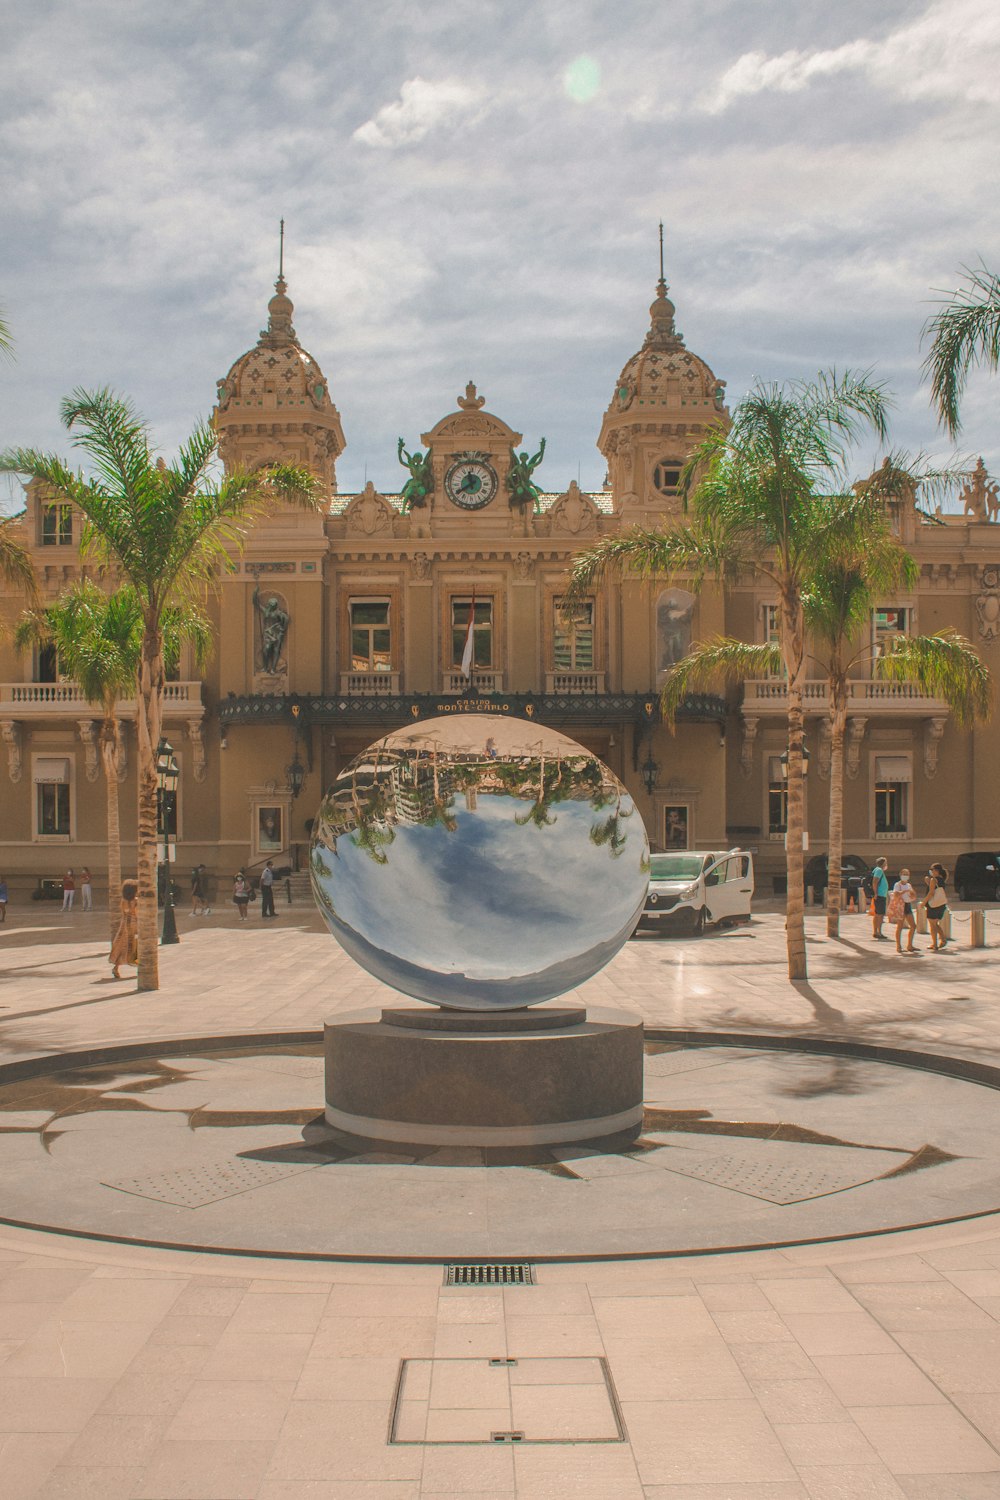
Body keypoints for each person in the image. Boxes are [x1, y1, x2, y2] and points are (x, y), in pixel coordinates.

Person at [109, 879, 138, 980]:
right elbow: (137, 914)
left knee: (122, 946)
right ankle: (140, 967)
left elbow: (124, 912)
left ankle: (116, 967)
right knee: (135, 946)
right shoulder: (136, 901)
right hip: (134, 926)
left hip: (124, 924)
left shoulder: (123, 901)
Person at [890, 868, 919, 955]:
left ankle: (910, 945)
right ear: (900, 875)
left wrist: (912, 894)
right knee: (900, 926)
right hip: (901, 906)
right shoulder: (897, 884)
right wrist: (905, 891)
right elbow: (896, 894)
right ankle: (898, 946)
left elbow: (914, 895)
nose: (905, 876)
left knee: (913, 925)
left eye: (907, 874)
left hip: (907, 905)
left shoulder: (909, 885)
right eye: (904, 874)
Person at [925, 862, 950, 952]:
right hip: (941, 904)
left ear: (936, 871)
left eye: (932, 870)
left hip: (933, 904)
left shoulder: (934, 880)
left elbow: (931, 893)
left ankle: (935, 944)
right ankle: (942, 939)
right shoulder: (942, 880)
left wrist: (924, 902)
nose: (931, 871)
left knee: (932, 924)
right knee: (935, 923)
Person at [870, 857, 889, 940]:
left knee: (878, 914)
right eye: (885, 863)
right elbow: (875, 881)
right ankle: (878, 932)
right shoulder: (879, 870)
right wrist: (876, 893)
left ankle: (876, 931)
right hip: (880, 895)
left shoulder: (877, 870)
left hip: (881, 895)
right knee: (880, 915)